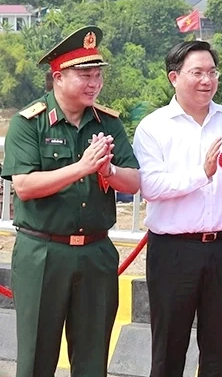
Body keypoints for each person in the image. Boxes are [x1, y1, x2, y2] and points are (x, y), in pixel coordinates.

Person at [0, 26, 141, 377]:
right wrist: (81, 168)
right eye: (84, 75)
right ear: (58, 77)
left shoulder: (108, 123)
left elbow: (135, 181)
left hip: (96, 252)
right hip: (43, 252)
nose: (94, 83)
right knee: (36, 358)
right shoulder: (28, 123)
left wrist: (107, 170)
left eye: (97, 75)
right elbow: (25, 186)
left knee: (93, 359)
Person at [133, 40, 222, 377]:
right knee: (169, 347)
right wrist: (202, 174)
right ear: (174, 77)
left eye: (212, 72)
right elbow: (150, 186)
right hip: (173, 250)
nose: (207, 80)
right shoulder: (154, 126)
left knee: (220, 346)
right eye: (197, 73)